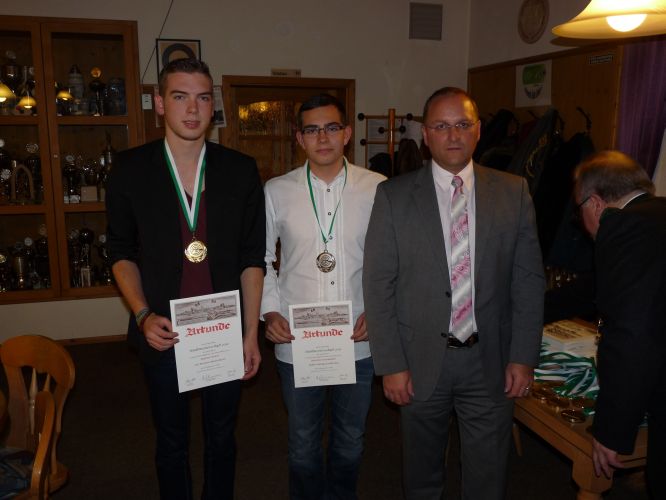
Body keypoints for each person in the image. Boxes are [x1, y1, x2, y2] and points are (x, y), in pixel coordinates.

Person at [363, 87, 545, 499]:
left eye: (462, 124)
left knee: (488, 477)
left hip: (491, 360)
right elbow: (378, 283)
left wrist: (523, 356)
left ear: (478, 130)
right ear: (426, 135)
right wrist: (390, 364)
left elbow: (528, 280)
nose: (453, 134)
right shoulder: (393, 196)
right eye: (442, 126)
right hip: (419, 360)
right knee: (422, 476)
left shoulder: (513, 192)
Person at [106, 58, 265, 500]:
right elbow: (120, 252)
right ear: (159, 103)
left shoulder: (239, 170)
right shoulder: (131, 169)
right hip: (163, 329)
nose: (192, 109)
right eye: (180, 97)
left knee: (222, 438)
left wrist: (251, 333)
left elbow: (252, 258)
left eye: (202, 97)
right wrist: (142, 314)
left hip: (223, 329)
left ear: (213, 105)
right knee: (171, 441)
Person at [261, 94, 385, 499]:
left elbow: (391, 261)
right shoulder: (277, 191)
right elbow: (263, 259)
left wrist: (379, 312)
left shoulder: (377, 188)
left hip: (358, 339)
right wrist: (269, 312)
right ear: (299, 138)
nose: (323, 137)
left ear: (346, 133)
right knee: (302, 445)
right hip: (298, 341)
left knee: (350, 441)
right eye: (312, 130)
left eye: (331, 128)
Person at [573, 150, 666, 499]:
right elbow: (591, 288)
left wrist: (611, 429)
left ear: (596, 203)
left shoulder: (624, 225)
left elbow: (631, 334)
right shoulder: (656, 217)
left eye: (579, 209)